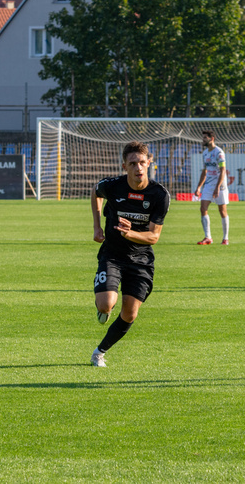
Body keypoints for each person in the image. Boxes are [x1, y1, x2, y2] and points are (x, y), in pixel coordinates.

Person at [90, 141, 171, 367]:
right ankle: (104, 306)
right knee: (106, 304)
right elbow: (95, 192)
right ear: (124, 166)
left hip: (141, 260)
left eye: (142, 163)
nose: (138, 168)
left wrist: (130, 233)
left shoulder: (159, 195)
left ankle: (99, 352)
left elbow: (154, 237)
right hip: (112, 255)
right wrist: (97, 226)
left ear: (149, 163)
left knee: (130, 313)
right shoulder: (113, 186)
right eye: (133, 163)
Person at [194, 130, 230, 245]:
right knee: (203, 208)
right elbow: (205, 171)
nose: (203, 140)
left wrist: (218, 187)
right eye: (203, 137)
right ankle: (208, 237)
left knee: (222, 211)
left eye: (205, 138)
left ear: (212, 138)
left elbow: (222, 170)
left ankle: (225, 238)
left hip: (220, 185)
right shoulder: (205, 153)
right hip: (209, 184)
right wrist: (199, 187)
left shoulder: (219, 152)